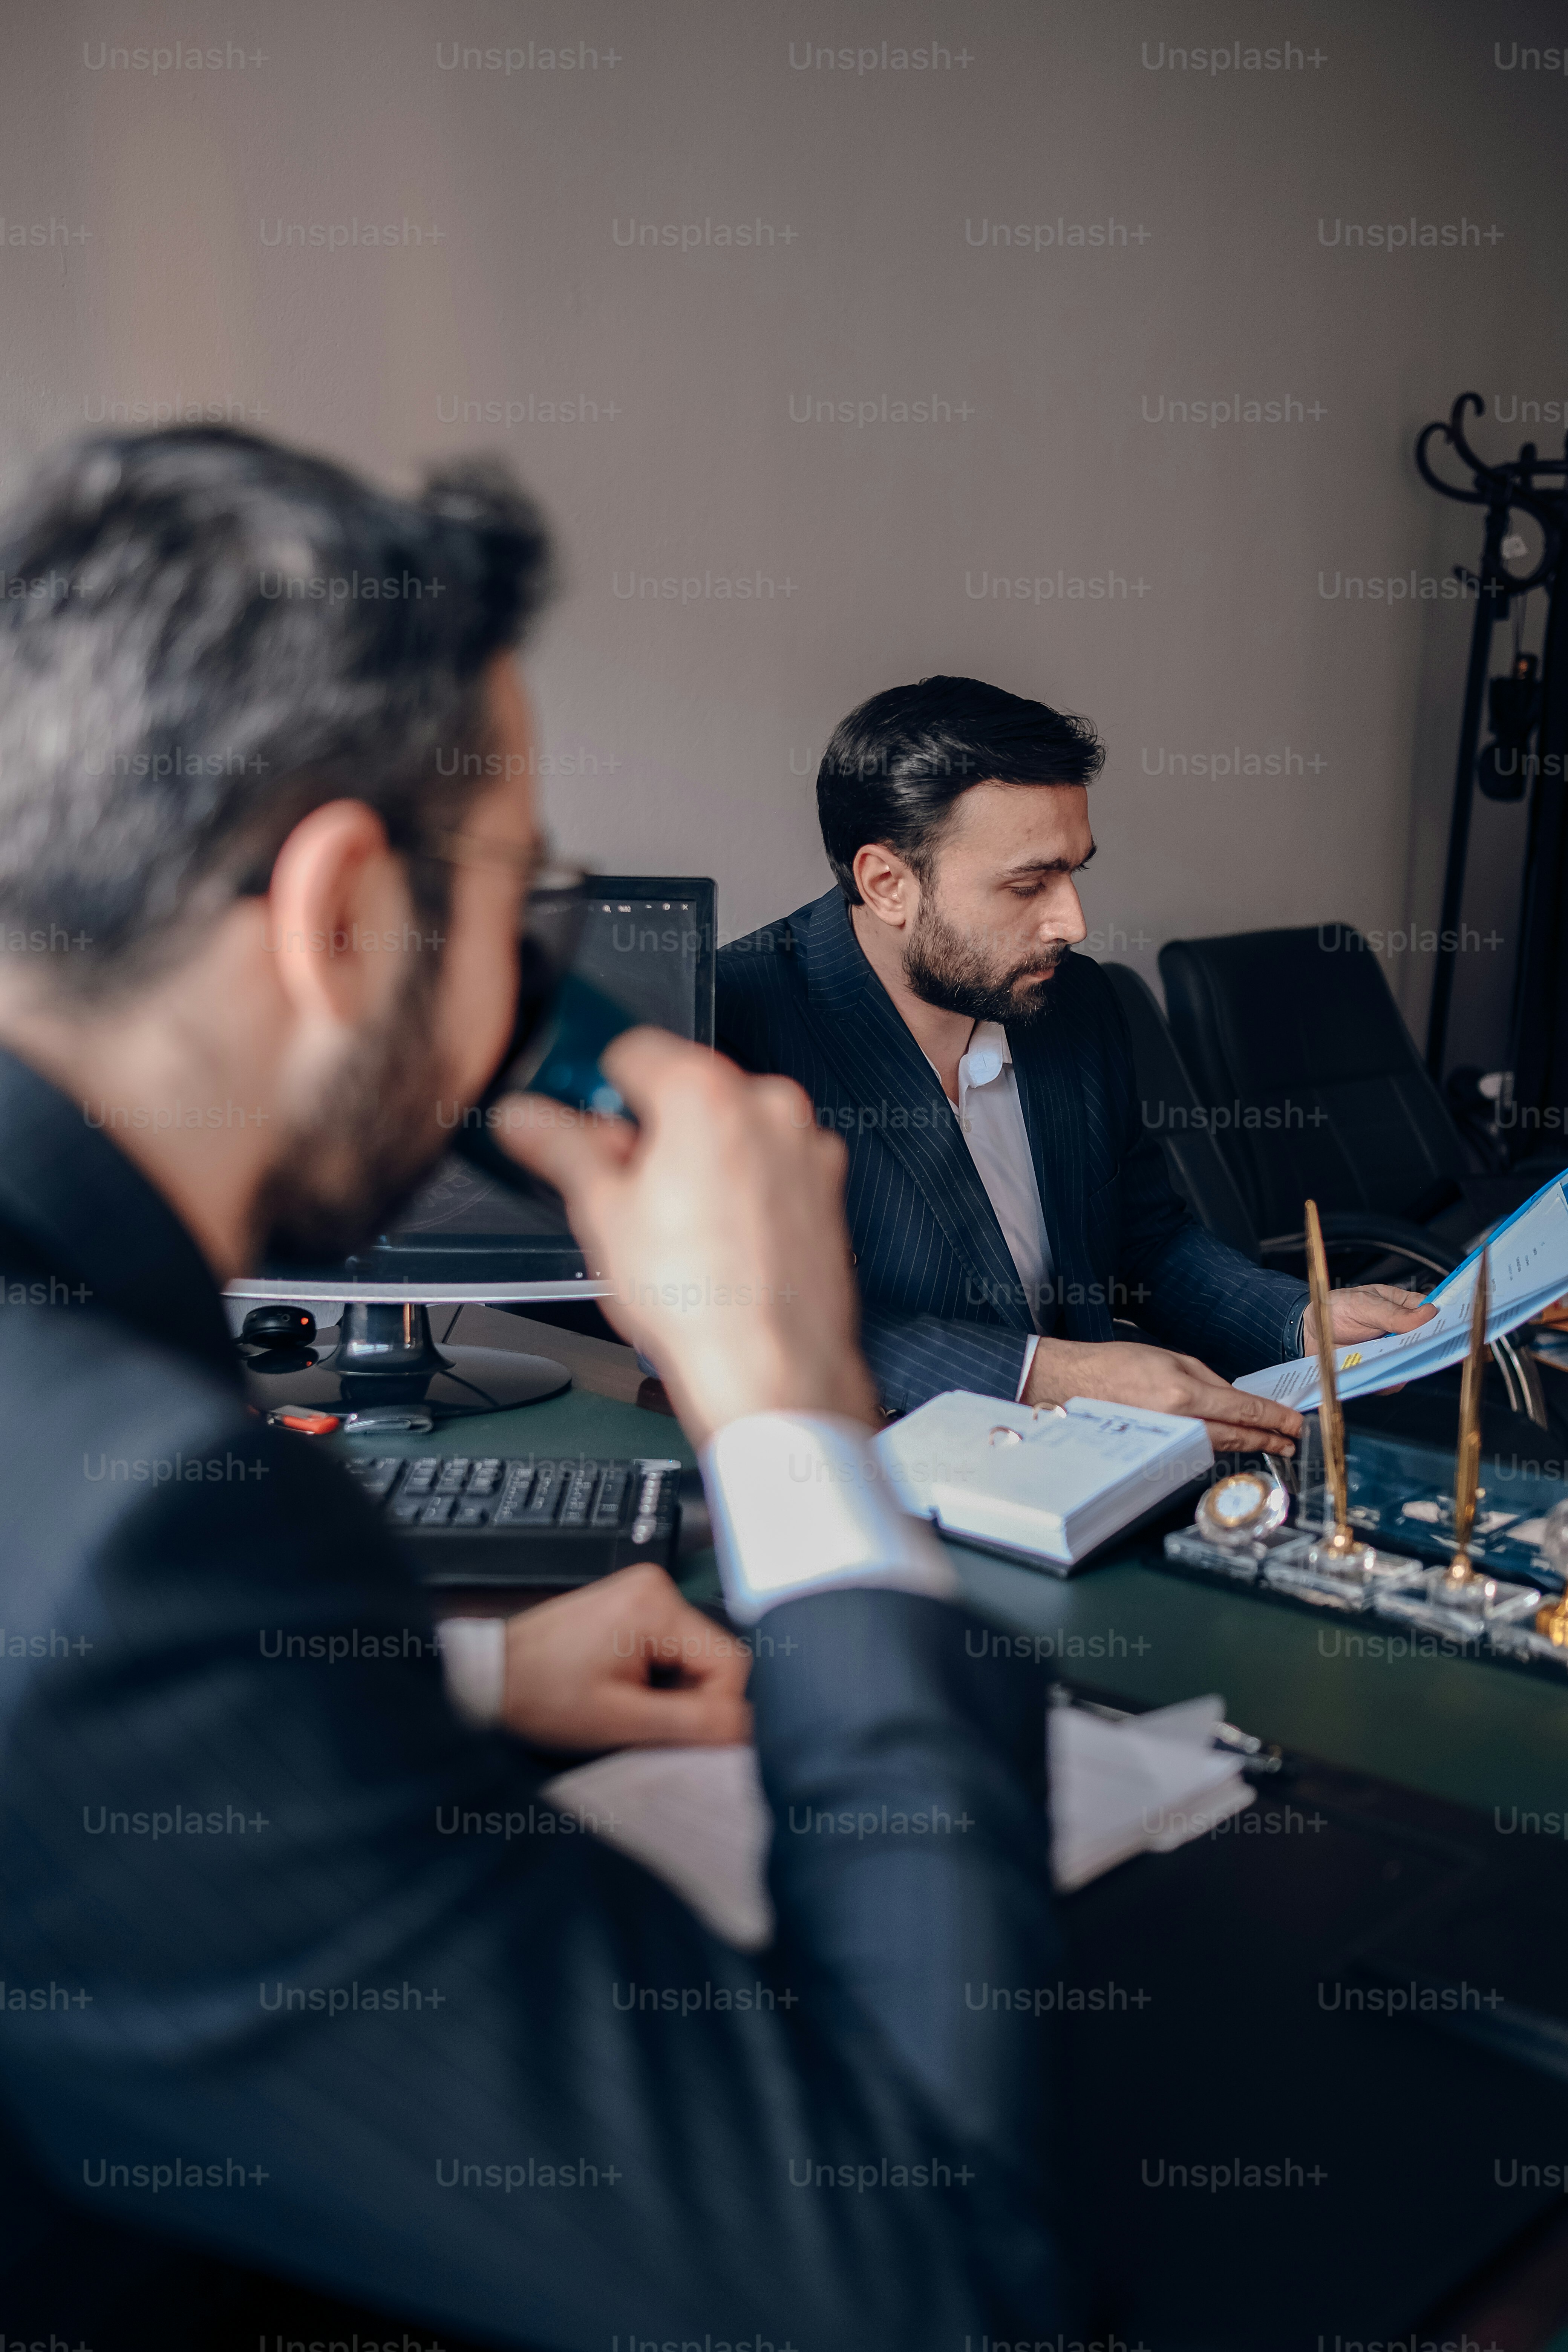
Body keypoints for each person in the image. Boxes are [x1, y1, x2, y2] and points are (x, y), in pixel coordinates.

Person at [0, 430, 1064, 2352]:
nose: (537, 980)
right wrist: (785, 1401)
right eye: (520, 901)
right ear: (342, 917)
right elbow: (922, 2284)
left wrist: (451, 1678)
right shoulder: (134, 1526)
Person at [717, 674, 1434, 1445]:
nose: (1073, 922)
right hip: (866, 1470)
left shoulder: (1074, 1000)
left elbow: (1142, 1236)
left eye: (1073, 872)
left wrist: (1297, 1318)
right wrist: (1045, 1375)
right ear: (887, 884)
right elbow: (737, 1309)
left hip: (1086, 1466)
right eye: (1028, 885)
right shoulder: (732, 1022)